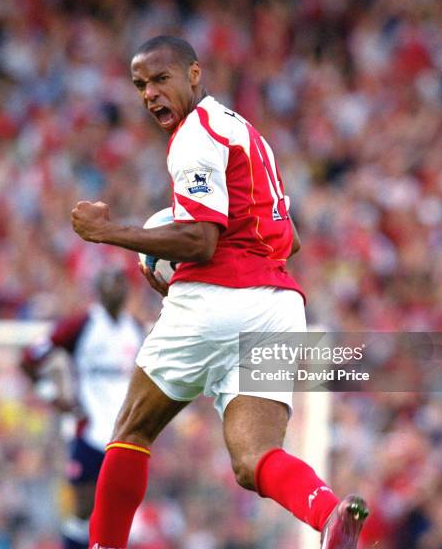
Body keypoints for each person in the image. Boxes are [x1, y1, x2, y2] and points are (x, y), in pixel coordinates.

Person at [71, 36, 369, 549]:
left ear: (193, 74)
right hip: (278, 306)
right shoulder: (248, 135)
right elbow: (289, 240)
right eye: (140, 85)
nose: (150, 94)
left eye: (161, 79)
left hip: (217, 297)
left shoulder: (195, 135)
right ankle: (326, 513)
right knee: (253, 459)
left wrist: (109, 232)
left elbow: (199, 239)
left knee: (131, 429)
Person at [20, 270, 144, 549]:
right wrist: (51, 395)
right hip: (89, 431)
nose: (115, 291)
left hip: (126, 435)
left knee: (119, 510)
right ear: (98, 291)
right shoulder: (83, 325)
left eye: (120, 285)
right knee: (84, 507)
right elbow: (29, 358)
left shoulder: (135, 330)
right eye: (109, 284)